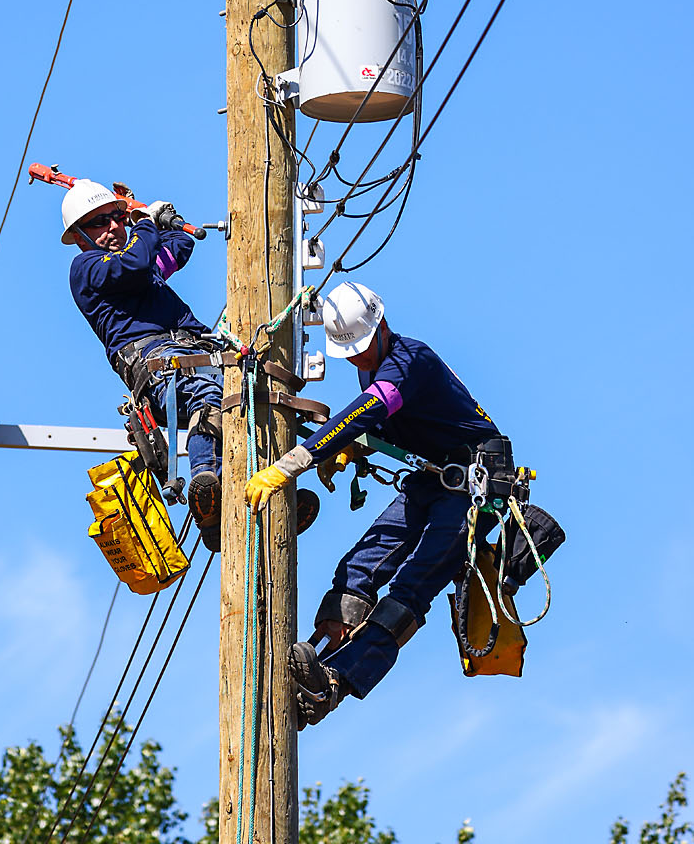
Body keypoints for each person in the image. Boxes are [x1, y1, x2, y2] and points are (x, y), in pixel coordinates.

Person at [244, 281, 513, 726]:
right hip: (432, 477)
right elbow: (387, 422)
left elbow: (366, 411)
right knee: (358, 567)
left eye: (363, 348)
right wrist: (351, 449)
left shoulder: (411, 359)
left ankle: (336, 683)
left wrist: (296, 461)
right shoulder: (370, 368)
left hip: (474, 483)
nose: (358, 358)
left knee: (410, 588)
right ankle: (326, 645)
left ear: (382, 325)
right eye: (348, 352)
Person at [61, 179, 225, 549]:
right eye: (100, 223)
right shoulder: (87, 269)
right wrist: (144, 222)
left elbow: (180, 247)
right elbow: (135, 261)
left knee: (253, 402)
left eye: (116, 218)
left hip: (195, 350)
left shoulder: (141, 271)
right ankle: (205, 479)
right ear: (78, 235)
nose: (113, 228)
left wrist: (160, 217)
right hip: (156, 363)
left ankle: (236, 511)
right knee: (207, 395)